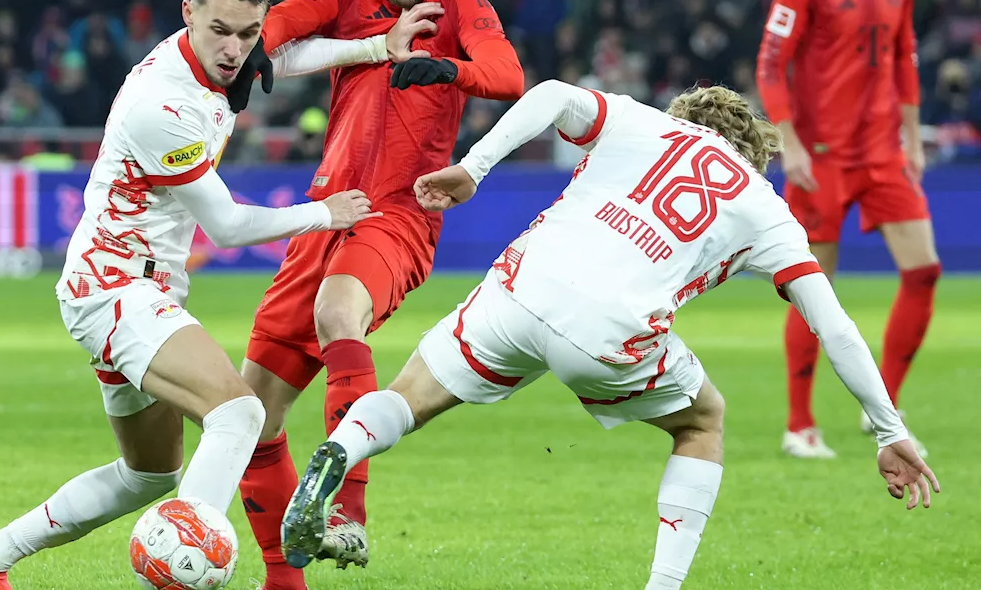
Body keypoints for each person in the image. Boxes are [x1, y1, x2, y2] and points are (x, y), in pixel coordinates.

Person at [279, 80, 941, 590]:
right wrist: (888, 430)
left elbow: (553, 96)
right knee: (703, 421)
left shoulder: (640, 121)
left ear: (684, 116)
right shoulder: (764, 205)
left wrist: (475, 168)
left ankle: (337, 450)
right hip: (612, 330)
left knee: (409, 395)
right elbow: (834, 325)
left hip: (524, 282)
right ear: (752, 154)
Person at [0, 0, 396, 590]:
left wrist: (376, 48)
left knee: (147, 477)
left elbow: (279, 58)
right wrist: (324, 213)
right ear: (187, 12)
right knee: (239, 415)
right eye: (220, 31)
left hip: (129, 286)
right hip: (117, 287)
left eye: (246, 33)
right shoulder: (162, 103)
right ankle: (194, 574)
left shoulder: (219, 57)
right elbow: (230, 227)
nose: (235, 49)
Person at [235, 0, 525, 585]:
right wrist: (245, 56)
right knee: (248, 423)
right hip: (325, 213)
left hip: (400, 213)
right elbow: (275, 26)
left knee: (339, 312)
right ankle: (285, 578)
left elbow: (508, 76)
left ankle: (347, 514)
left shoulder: (461, 5)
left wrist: (446, 67)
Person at [755, 0, 937, 459]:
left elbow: (904, 56)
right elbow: (769, 66)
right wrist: (792, 143)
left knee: (924, 271)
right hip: (823, 157)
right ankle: (799, 425)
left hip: (883, 151)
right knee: (815, 288)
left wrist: (911, 138)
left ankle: (883, 403)